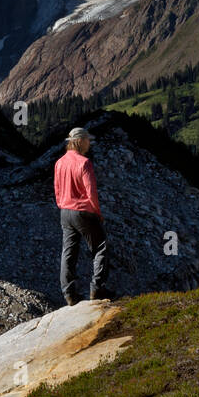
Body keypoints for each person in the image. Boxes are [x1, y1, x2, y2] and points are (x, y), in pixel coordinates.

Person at [55, 126, 114, 304]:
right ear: (80, 141)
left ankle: (69, 293)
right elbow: (91, 192)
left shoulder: (60, 162)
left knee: (69, 251)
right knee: (100, 247)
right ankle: (97, 288)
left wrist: (62, 205)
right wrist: (97, 212)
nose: (89, 143)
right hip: (82, 211)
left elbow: (57, 189)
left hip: (65, 211)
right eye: (87, 140)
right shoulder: (84, 163)